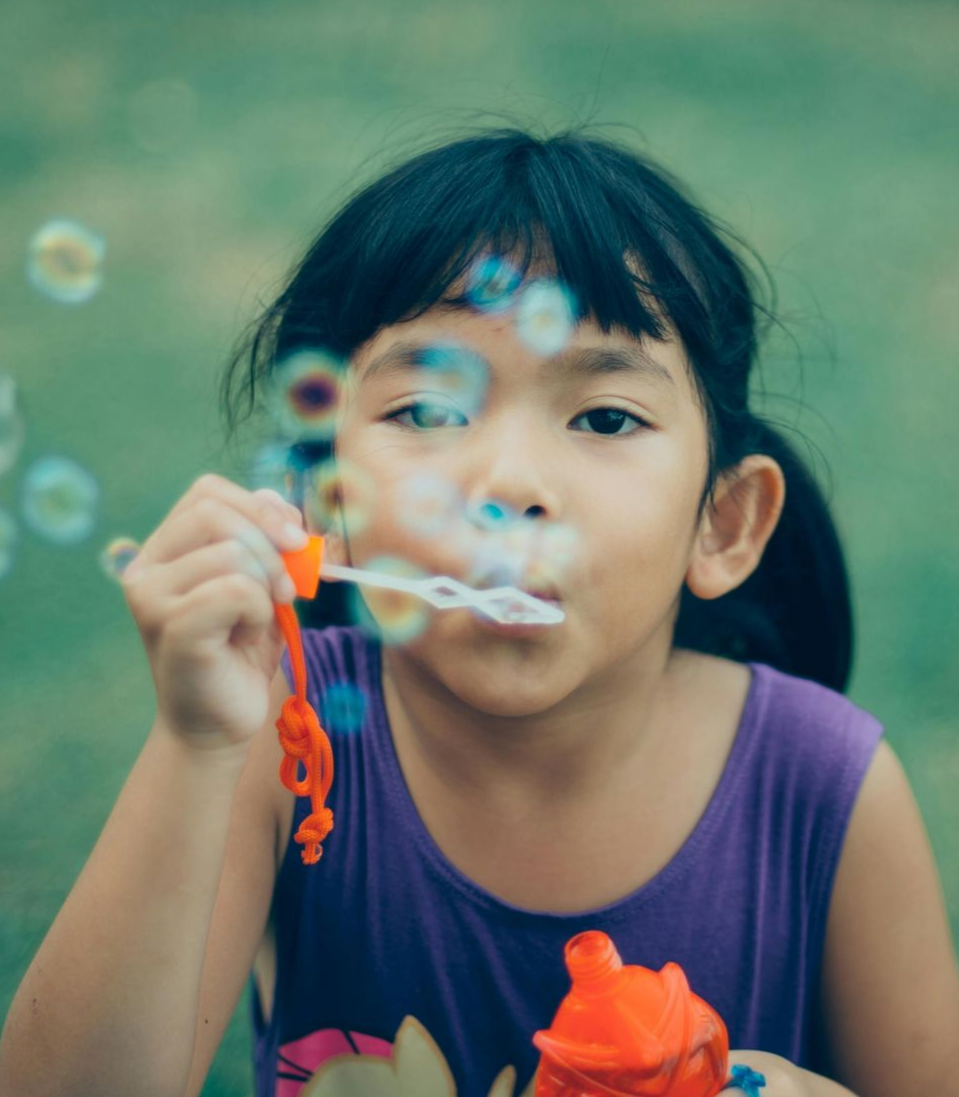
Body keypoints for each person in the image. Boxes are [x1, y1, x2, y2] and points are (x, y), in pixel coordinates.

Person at [2, 127, 957, 1097]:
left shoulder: (824, 790)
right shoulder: (282, 746)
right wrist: (195, 742)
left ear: (722, 523)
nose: (506, 484)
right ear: (328, 504)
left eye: (605, 418)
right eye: (426, 411)